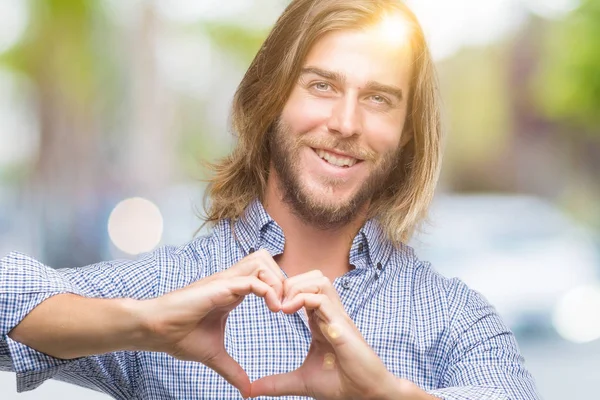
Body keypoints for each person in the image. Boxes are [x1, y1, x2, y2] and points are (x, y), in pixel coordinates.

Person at [0, 0, 540, 399]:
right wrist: (144, 324)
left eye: (378, 99)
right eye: (322, 86)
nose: (346, 123)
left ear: (407, 135)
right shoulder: (168, 291)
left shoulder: (456, 320)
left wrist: (384, 394)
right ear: (269, 99)